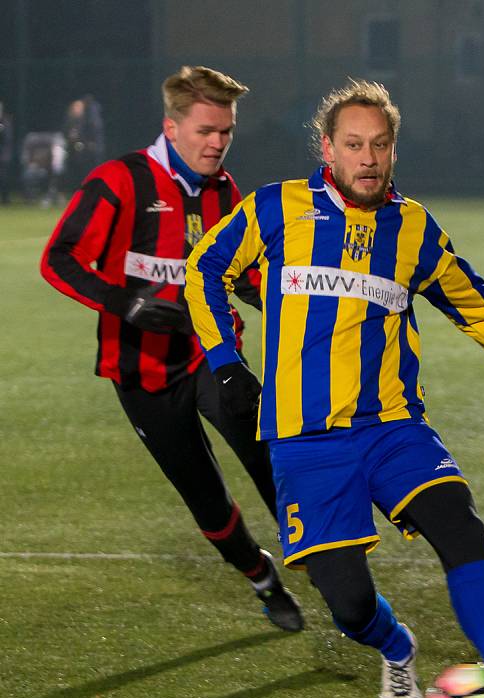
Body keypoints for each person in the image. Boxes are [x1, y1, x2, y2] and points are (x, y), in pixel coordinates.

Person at [184, 79, 484, 698]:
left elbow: (472, 302)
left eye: (379, 145)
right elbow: (204, 267)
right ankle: (395, 646)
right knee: (347, 605)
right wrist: (224, 362)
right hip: (304, 438)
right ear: (327, 147)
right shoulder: (276, 208)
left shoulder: (412, 228)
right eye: (353, 144)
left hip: (392, 427)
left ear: (393, 152)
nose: (368, 158)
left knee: (459, 523)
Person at [40, 65, 303, 633]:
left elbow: (240, 276)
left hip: (211, 352)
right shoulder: (120, 180)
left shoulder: (225, 190)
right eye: (207, 131)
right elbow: (58, 259)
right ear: (173, 126)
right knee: (205, 497)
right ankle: (261, 576)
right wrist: (124, 303)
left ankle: (326, 559)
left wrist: (294, 311)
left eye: (226, 132)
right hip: (139, 370)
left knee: (269, 450)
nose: (217, 143)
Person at [0, 101, 13, 203]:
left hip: (2, 154)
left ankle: (5, 197)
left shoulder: (6, 121)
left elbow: (7, 139)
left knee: (4, 176)